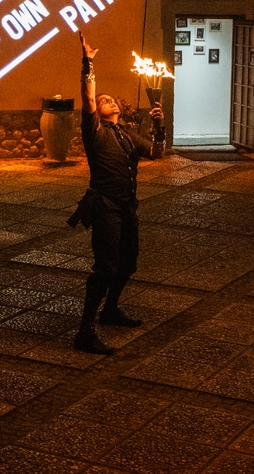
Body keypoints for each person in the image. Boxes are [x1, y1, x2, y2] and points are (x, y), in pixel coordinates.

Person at [68, 31, 165, 355]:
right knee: (105, 267)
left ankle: (110, 310)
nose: (106, 101)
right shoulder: (94, 130)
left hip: (127, 206)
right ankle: (85, 331)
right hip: (105, 205)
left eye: (110, 99)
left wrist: (159, 126)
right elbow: (87, 97)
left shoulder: (126, 134)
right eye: (102, 100)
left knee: (128, 264)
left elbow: (156, 153)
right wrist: (88, 62)